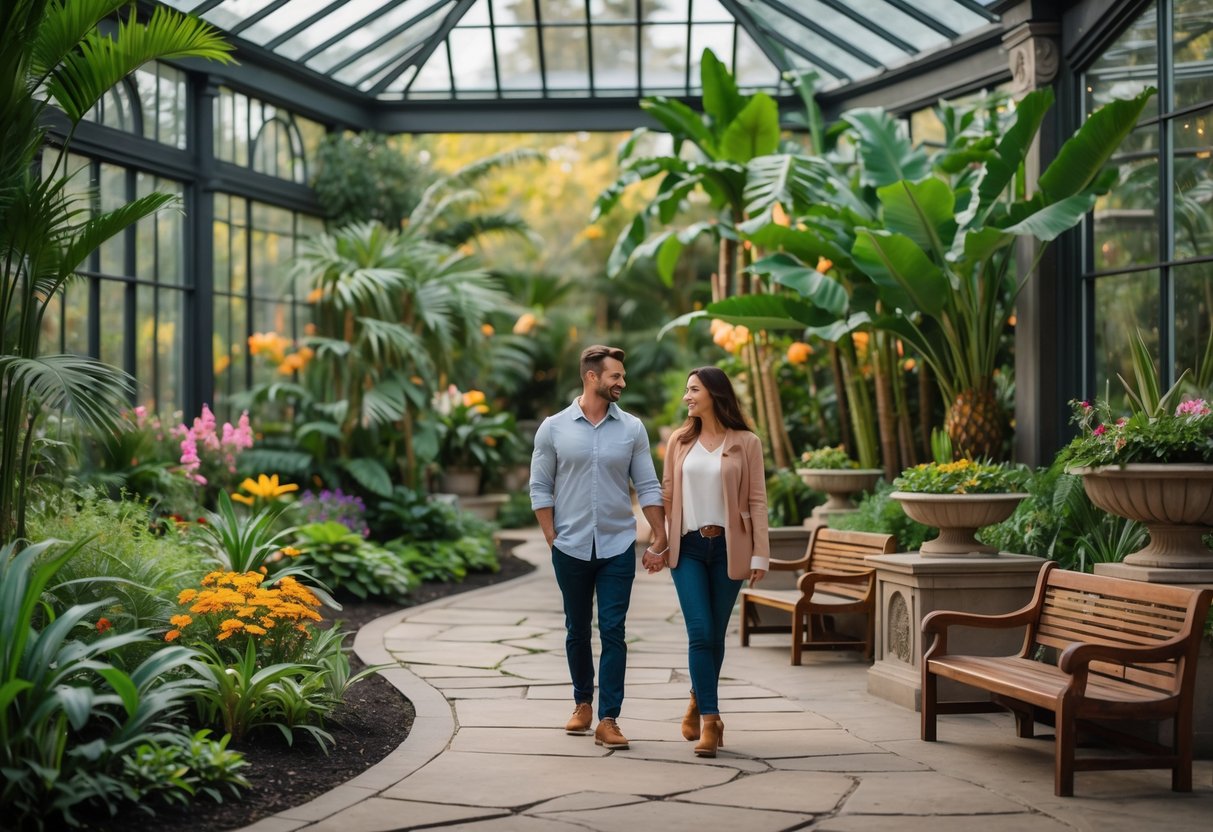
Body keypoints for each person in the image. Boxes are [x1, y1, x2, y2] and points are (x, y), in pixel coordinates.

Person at [530, 344, 668, 750]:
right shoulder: (553, 427)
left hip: (616, 545)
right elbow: (540, 487)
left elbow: (647, 486)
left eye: (622, 377)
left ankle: (609, 719)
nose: (622, 382)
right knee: (576, 629)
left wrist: (659, 536)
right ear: (592, 377)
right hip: (569, 546)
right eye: (616, 376)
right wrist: (553, 538)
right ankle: (582, 704)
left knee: (613, 629)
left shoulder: (632, 429)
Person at [648, 366, 768, 758]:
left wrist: (760, 554)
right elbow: (667, 497)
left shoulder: (747, 442)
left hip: (729, 549)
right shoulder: (680, 441)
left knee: (715, 635)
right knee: (700, 631)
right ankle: (712, 721)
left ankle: (697, 701)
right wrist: (660, 542)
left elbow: (757, 501)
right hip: (690, 549)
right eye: (686, 390)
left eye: (693, 389)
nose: (687, 396)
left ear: (715, 394)